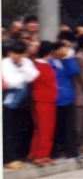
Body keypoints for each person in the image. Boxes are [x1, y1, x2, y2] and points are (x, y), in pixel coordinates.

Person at [3, 40, 39, 169]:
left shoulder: (26, 62)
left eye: (19, 54)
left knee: (20, 129)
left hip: (24, 101)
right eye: (14, 53)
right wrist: (23, 76)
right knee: (8, 130)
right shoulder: (5, 63)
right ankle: (8, 158)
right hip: (9, 102)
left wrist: (22, 71)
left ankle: (18, 155)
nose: (16, 56)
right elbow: (10, 82)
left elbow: (34, 75)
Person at [49, 40, 80, 159]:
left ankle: (71, 150)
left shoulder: (66, 61)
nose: (65, 50)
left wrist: (69, 58)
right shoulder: (50, 63)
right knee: (56, 127)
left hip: (67, 97)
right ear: (55, 50)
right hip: (56, 98)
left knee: (69, 126)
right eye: (62, 48)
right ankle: (55, 151)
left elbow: (74, 71)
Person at [29, 41, 58, 166]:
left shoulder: (35, 65)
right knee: (46, 128)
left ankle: (34, 153)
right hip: (44, 101)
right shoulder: (43, 66)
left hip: (40, 100)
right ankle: (41, 156)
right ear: (49, 53)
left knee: (39, 129)